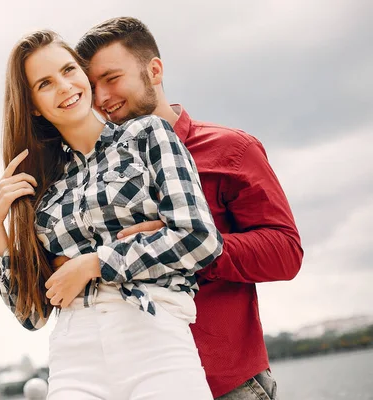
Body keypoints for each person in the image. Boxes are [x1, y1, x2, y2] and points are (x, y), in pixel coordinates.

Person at [70, 16, 304, 399]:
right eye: (91, 87)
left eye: (111, 79)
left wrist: (185, 242)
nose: (101, 98)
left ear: (155, 69)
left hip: (226, 387)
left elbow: (286, 253)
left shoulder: (232, 150)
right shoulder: (95, 175)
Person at [0, 29, 223, 399]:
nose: (64, 86)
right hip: (74, 355)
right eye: (45, 83)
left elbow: (199, 238)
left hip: (153, 334)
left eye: (68, 70)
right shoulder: (44, 188)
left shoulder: (147, 135)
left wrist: (93, 263)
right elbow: (32, 316)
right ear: (32, 104)